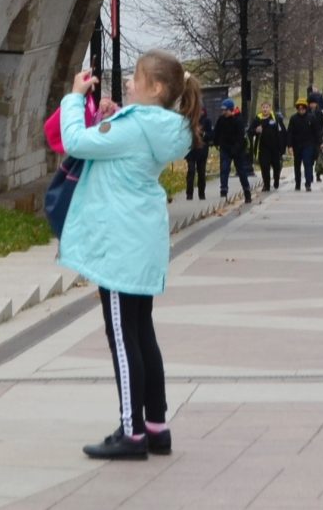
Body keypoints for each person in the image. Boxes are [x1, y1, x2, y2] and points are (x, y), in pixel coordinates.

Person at [54, 50, 203, 460]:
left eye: (135, 78)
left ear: (155, 88)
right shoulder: (159, 127)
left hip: (119, 245)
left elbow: (76, 142)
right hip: (142, 240)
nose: (129, 83)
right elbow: (125, 138)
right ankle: (156, 425)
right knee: (142, 333)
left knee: (122, 337)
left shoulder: (136, 127)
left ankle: (131, 432)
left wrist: (72, 97)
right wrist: (116, 115)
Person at [210, 99, 252, 202]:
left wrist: (236, 149)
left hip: (238, 150)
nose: (223, 112)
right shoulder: (221, 119)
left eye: (225, 110)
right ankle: (223, 190)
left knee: (241, 171)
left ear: (230, 110)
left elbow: (241, 137)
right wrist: (215, 142)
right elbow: (217, 132)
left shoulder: (238, 120)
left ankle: (247, 191)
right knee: (224, 169)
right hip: (225, 148)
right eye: (222, 110)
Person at [286, 99, 322, 190]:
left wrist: (319, 143)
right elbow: (290, 133)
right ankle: (297, 183)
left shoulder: (311, 118)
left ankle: (308, 183)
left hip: (308, 144)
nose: (301, 110)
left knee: (308, 163)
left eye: (303, 108)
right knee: (297, 165)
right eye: (299, 108)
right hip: (297, 145)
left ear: (306, 108)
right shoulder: (293, 118)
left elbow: (316, 132)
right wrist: (289, 146)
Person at [250, 105, 285, 193]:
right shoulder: (257, 119)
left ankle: (276, 180)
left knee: (277, 167)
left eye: (267, 107)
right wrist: (256, 131)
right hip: (263, 148)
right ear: (261, 109)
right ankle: (266, 185)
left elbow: (283, 132)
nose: (265, 109)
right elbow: (250, 131)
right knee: (264, 167)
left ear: (270, 108)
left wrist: (283, 147)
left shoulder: (276, 118)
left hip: (275, 148)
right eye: (263, 107)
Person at [182, 115, 210, 201]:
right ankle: (189, 194)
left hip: (202, 151)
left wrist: (203, 134)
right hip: (191, 150)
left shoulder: (206, 120)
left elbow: (210, 135)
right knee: (191, 171)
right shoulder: (188, 120)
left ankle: (201, 193)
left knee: (201, 172)